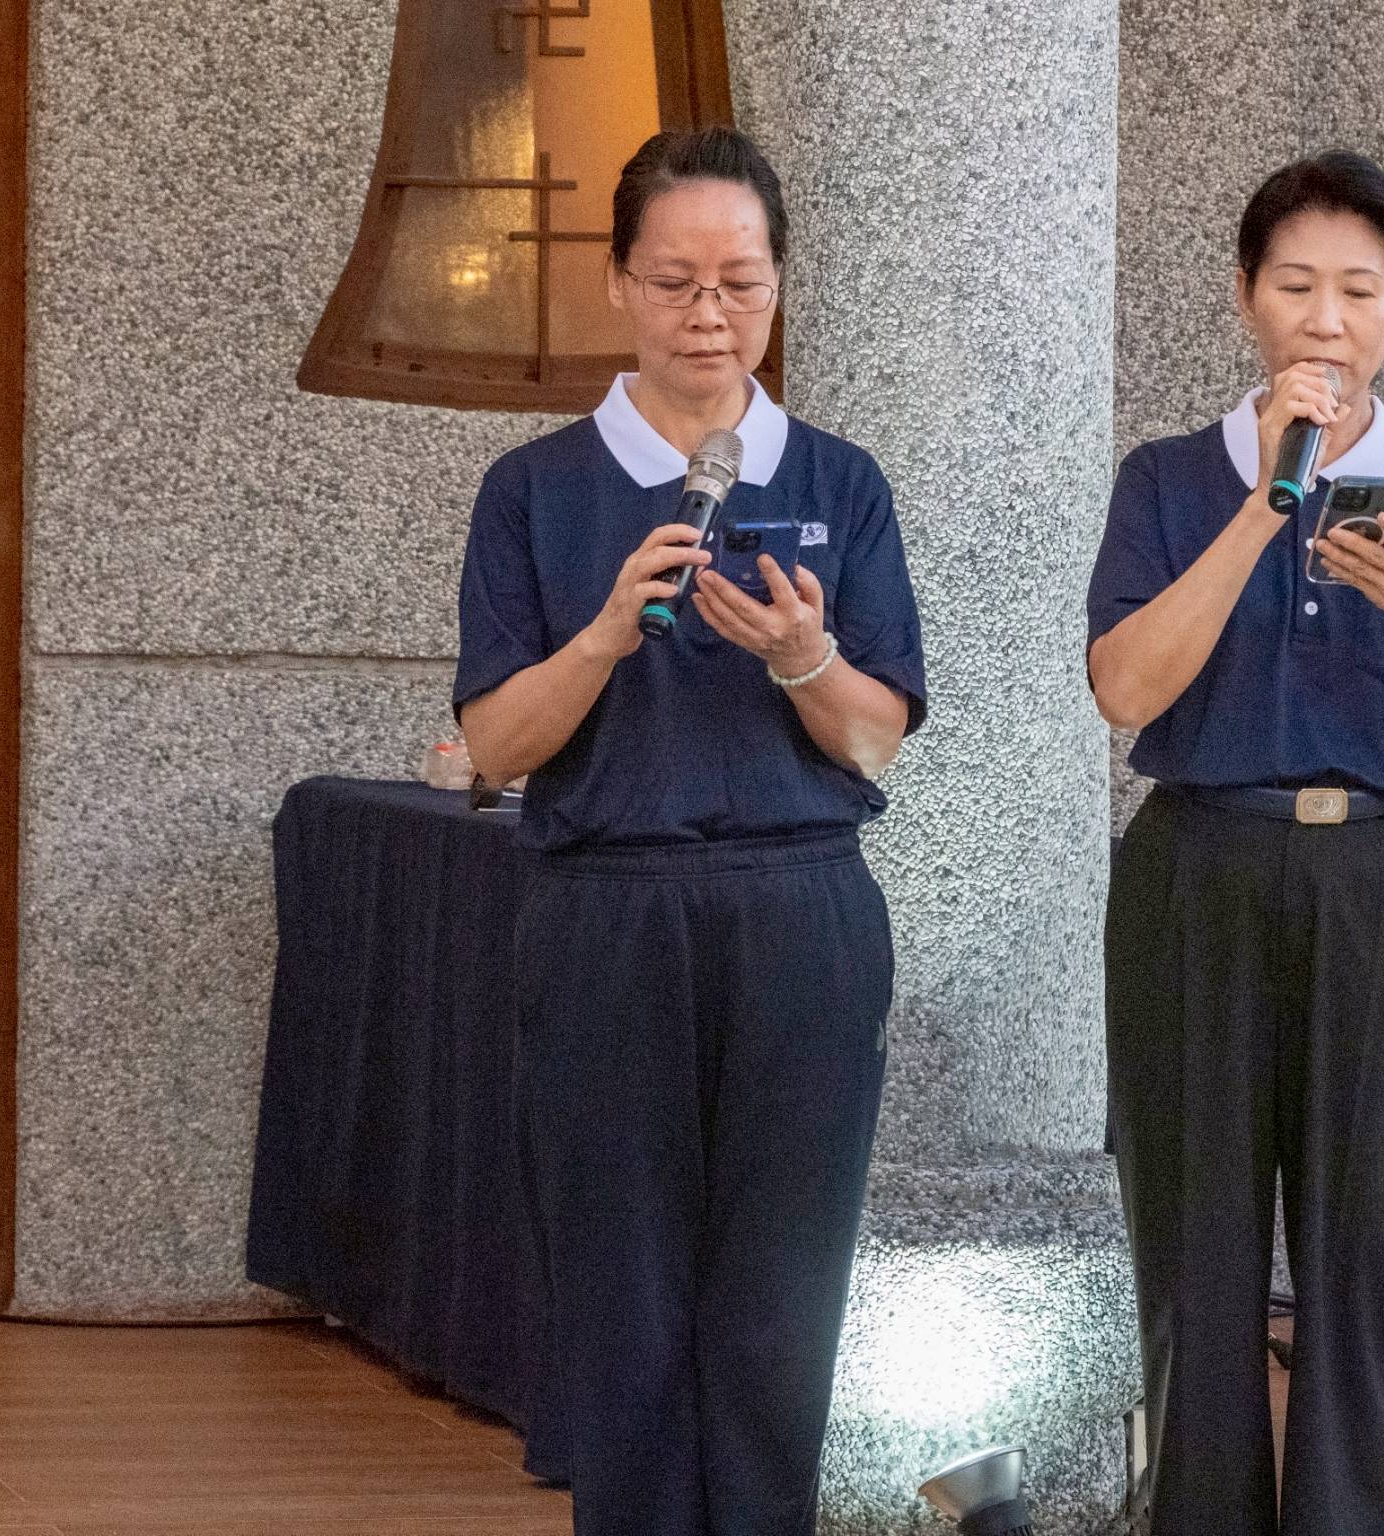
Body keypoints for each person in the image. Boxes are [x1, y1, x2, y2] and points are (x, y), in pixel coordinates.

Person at [453, 126, 925, 1536]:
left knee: (784, 1291)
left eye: (740, 280)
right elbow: (492, 747)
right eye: (674, 282)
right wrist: (603, 634)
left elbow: (875, 732)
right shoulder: (534, 491)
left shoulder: (841, 482)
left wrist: (798, 656)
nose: (709, 314)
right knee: (623, 1292)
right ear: (619, 287)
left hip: (801, 910)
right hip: (607, 911)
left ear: (779, 287)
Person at [1086, 150, 1384, 1536]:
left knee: (1367, 1269)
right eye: (1297, 286)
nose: (1326, 320)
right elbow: (1125, 691)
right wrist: (1260, 511)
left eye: (1359, 290)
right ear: (1246, 301)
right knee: (1198, 1263)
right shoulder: (1171, 480)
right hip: (1197, 873)